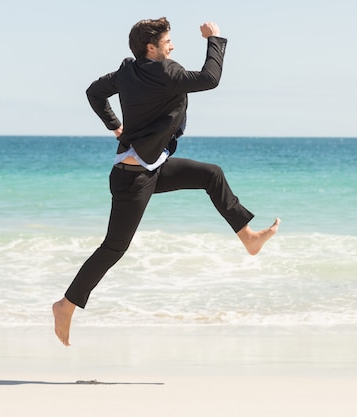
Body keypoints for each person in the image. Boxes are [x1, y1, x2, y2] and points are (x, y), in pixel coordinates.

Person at [53, 17, 280, 346]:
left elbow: (94, 92)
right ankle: (66, 305)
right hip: (133, 179)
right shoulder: (166, 73)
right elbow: (210, 78)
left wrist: (114, 126)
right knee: (114, 248)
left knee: (210, 174)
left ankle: (248, 237)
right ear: (151, 47)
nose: (172, 46)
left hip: (150, 166)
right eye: (168, 41)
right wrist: (214, 39)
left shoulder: (128, 71)